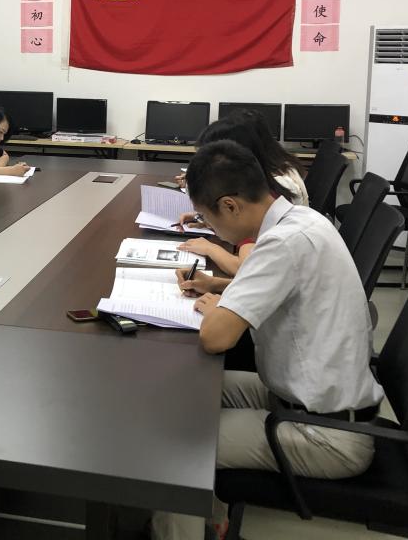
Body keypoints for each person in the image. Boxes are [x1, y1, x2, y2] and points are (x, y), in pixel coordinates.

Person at [155, 140, 382, 540]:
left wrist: (220, 311)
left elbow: (215, 338)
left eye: (208, 219)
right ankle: (213, 520)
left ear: (230, 206)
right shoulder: (301, 221)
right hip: (305, 396)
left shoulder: (281, 244)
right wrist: (219, 288)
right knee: (183, 391)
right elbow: (279, 290)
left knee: (179, 447)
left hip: (325, 433)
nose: (212, 230)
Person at [176, 112, 308, 276]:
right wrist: (210, 217)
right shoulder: (280, 169)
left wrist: (210, 248)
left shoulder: (276, 188)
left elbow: (249, 268)